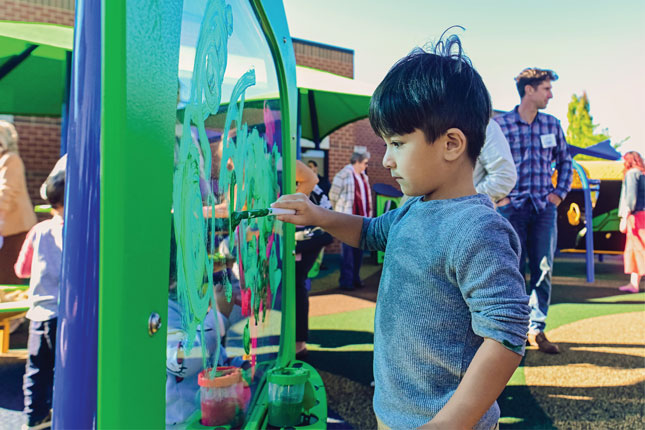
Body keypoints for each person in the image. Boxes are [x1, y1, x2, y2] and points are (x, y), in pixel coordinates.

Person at [272, 35, 530, 429]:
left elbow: (507, 332)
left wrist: (450, 423)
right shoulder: (414, 206)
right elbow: (373, 232)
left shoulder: (477, 228)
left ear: (451, 144)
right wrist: (318, 215)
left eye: (397, 143)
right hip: (395, 411)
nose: (386, 159)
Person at [494, 67, 573, 354]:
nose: (551, 95)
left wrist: (558, 195)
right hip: (509, 209)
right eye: (546, 89)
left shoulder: (552, 124)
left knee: (543, 269)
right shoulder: (501, 125)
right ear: (529, 90)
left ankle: (536, 330)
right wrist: (498, 198)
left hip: (543, 209)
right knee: (510, 270)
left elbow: (566, 162)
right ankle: (512, 332)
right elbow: (483, 162)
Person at [14, 171, 65, 430]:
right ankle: (65, 414)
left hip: (37, 314)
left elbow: (21, 270)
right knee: (64, 368)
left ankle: (34, 417)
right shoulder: (78, 233)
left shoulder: (38, 230)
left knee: (36, 368)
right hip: (64, 315)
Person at [0, 120, 37, 284]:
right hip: (7, 229)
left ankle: (10, 310)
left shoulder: (11, 160)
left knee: (8, 276)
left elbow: (6, 193)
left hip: (15, 230)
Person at [329, 152, 372, 290]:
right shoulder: (343, 174)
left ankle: (355, 278)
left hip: (361, 220)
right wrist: (338, 213)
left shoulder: (363, 177)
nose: (366, 166)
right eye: (365, 163)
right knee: (347, 252)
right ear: (357, 162)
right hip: (347, 219)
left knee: (358, 251)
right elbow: (333, 195)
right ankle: (346, 281)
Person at [617, 151, 645, 293]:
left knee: (637, 248)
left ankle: (634, 284)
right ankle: (634, 283)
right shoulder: (642, 174)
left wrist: (624, 217)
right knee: (638, 249)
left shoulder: (632, 174)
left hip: (637, 216)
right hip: (642, 214)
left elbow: (631, 198)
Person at [474, 120, 517, 202]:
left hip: (464, 209)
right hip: (508, 204)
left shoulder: (485, 126)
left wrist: (465, 201)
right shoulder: (501, 120)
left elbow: (504, 176)